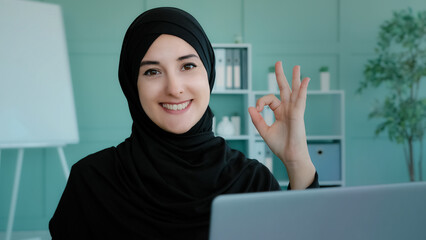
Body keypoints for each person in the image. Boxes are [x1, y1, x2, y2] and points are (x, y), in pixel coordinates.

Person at [49, 7, 318, 239]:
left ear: (209, 72)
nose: (174, 88)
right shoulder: (92, 182)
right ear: (132, 85)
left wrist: (297, 161)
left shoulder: (251, 182)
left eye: (187, 66)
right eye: (152, 71)